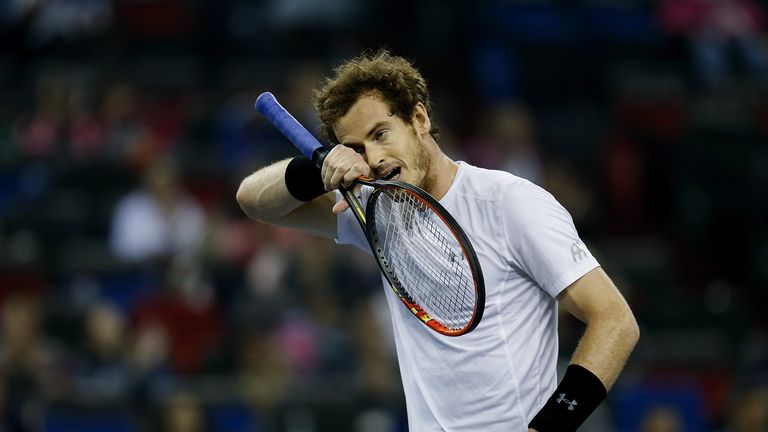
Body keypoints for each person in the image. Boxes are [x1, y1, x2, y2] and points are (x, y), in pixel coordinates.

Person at [236, 50, 639, 431]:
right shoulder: (375, 211)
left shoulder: (511, 203)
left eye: (381, 134)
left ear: (419, 118)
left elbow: (615, 321)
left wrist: (550, 427)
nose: (373, 157)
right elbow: (254, 201)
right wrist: (318, 166)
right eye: (357, 148)